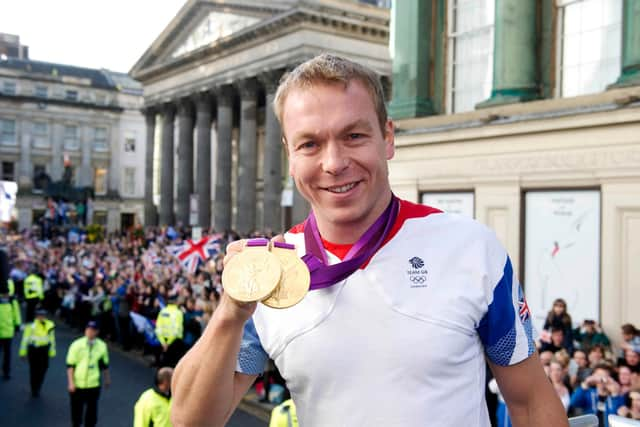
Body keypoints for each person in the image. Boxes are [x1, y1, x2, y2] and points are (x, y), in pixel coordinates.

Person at [170, 54, 568, 426]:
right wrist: (229, 312)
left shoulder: (469, 247)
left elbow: (530, 400)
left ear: (387, 138)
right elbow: (190, 420)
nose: (334, 163)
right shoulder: (271, 273)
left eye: (354, 135)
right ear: (290, 156)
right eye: (310, 144)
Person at [66, 321, 110, 427]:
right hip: (78, 384)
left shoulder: (102, 346)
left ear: (97, 332)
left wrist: (107, 379)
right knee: (76, 412)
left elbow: (104, 365)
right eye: (88, 329)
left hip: (93, 384)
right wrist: (71, 383)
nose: (90, 332)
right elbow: (70, 365)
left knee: (92, 412)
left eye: (93, 330)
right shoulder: (77, 345)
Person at [19, 306, 55, 397]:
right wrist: (22, 352)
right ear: (36, 316)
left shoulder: (50, 324)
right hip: (33, 349)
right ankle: (34, 388)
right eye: (40, 315)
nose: (42, 317)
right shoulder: (31, 326)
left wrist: (52, 351)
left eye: (43, 315)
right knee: (34, 370)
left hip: (44, 349)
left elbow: (52, 339)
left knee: (44, 368)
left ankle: (38, 385)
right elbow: (25, 339)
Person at [155, 294, 184, 368]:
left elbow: (158, 328)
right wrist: (168, 343)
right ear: (176, 302)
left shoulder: (163, 311)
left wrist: (163, 343)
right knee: (171, 366)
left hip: (163, 341)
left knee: (162, 365)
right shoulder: (178, 313)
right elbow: (176, 330)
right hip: (174, 343)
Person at [0, 287, 21, 380]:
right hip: (4, 331)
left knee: (7, 354)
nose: (6, 295)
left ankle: (6, 372)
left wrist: (17, 326)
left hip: (8, 332)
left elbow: (16, 314)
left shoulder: (12, 302)